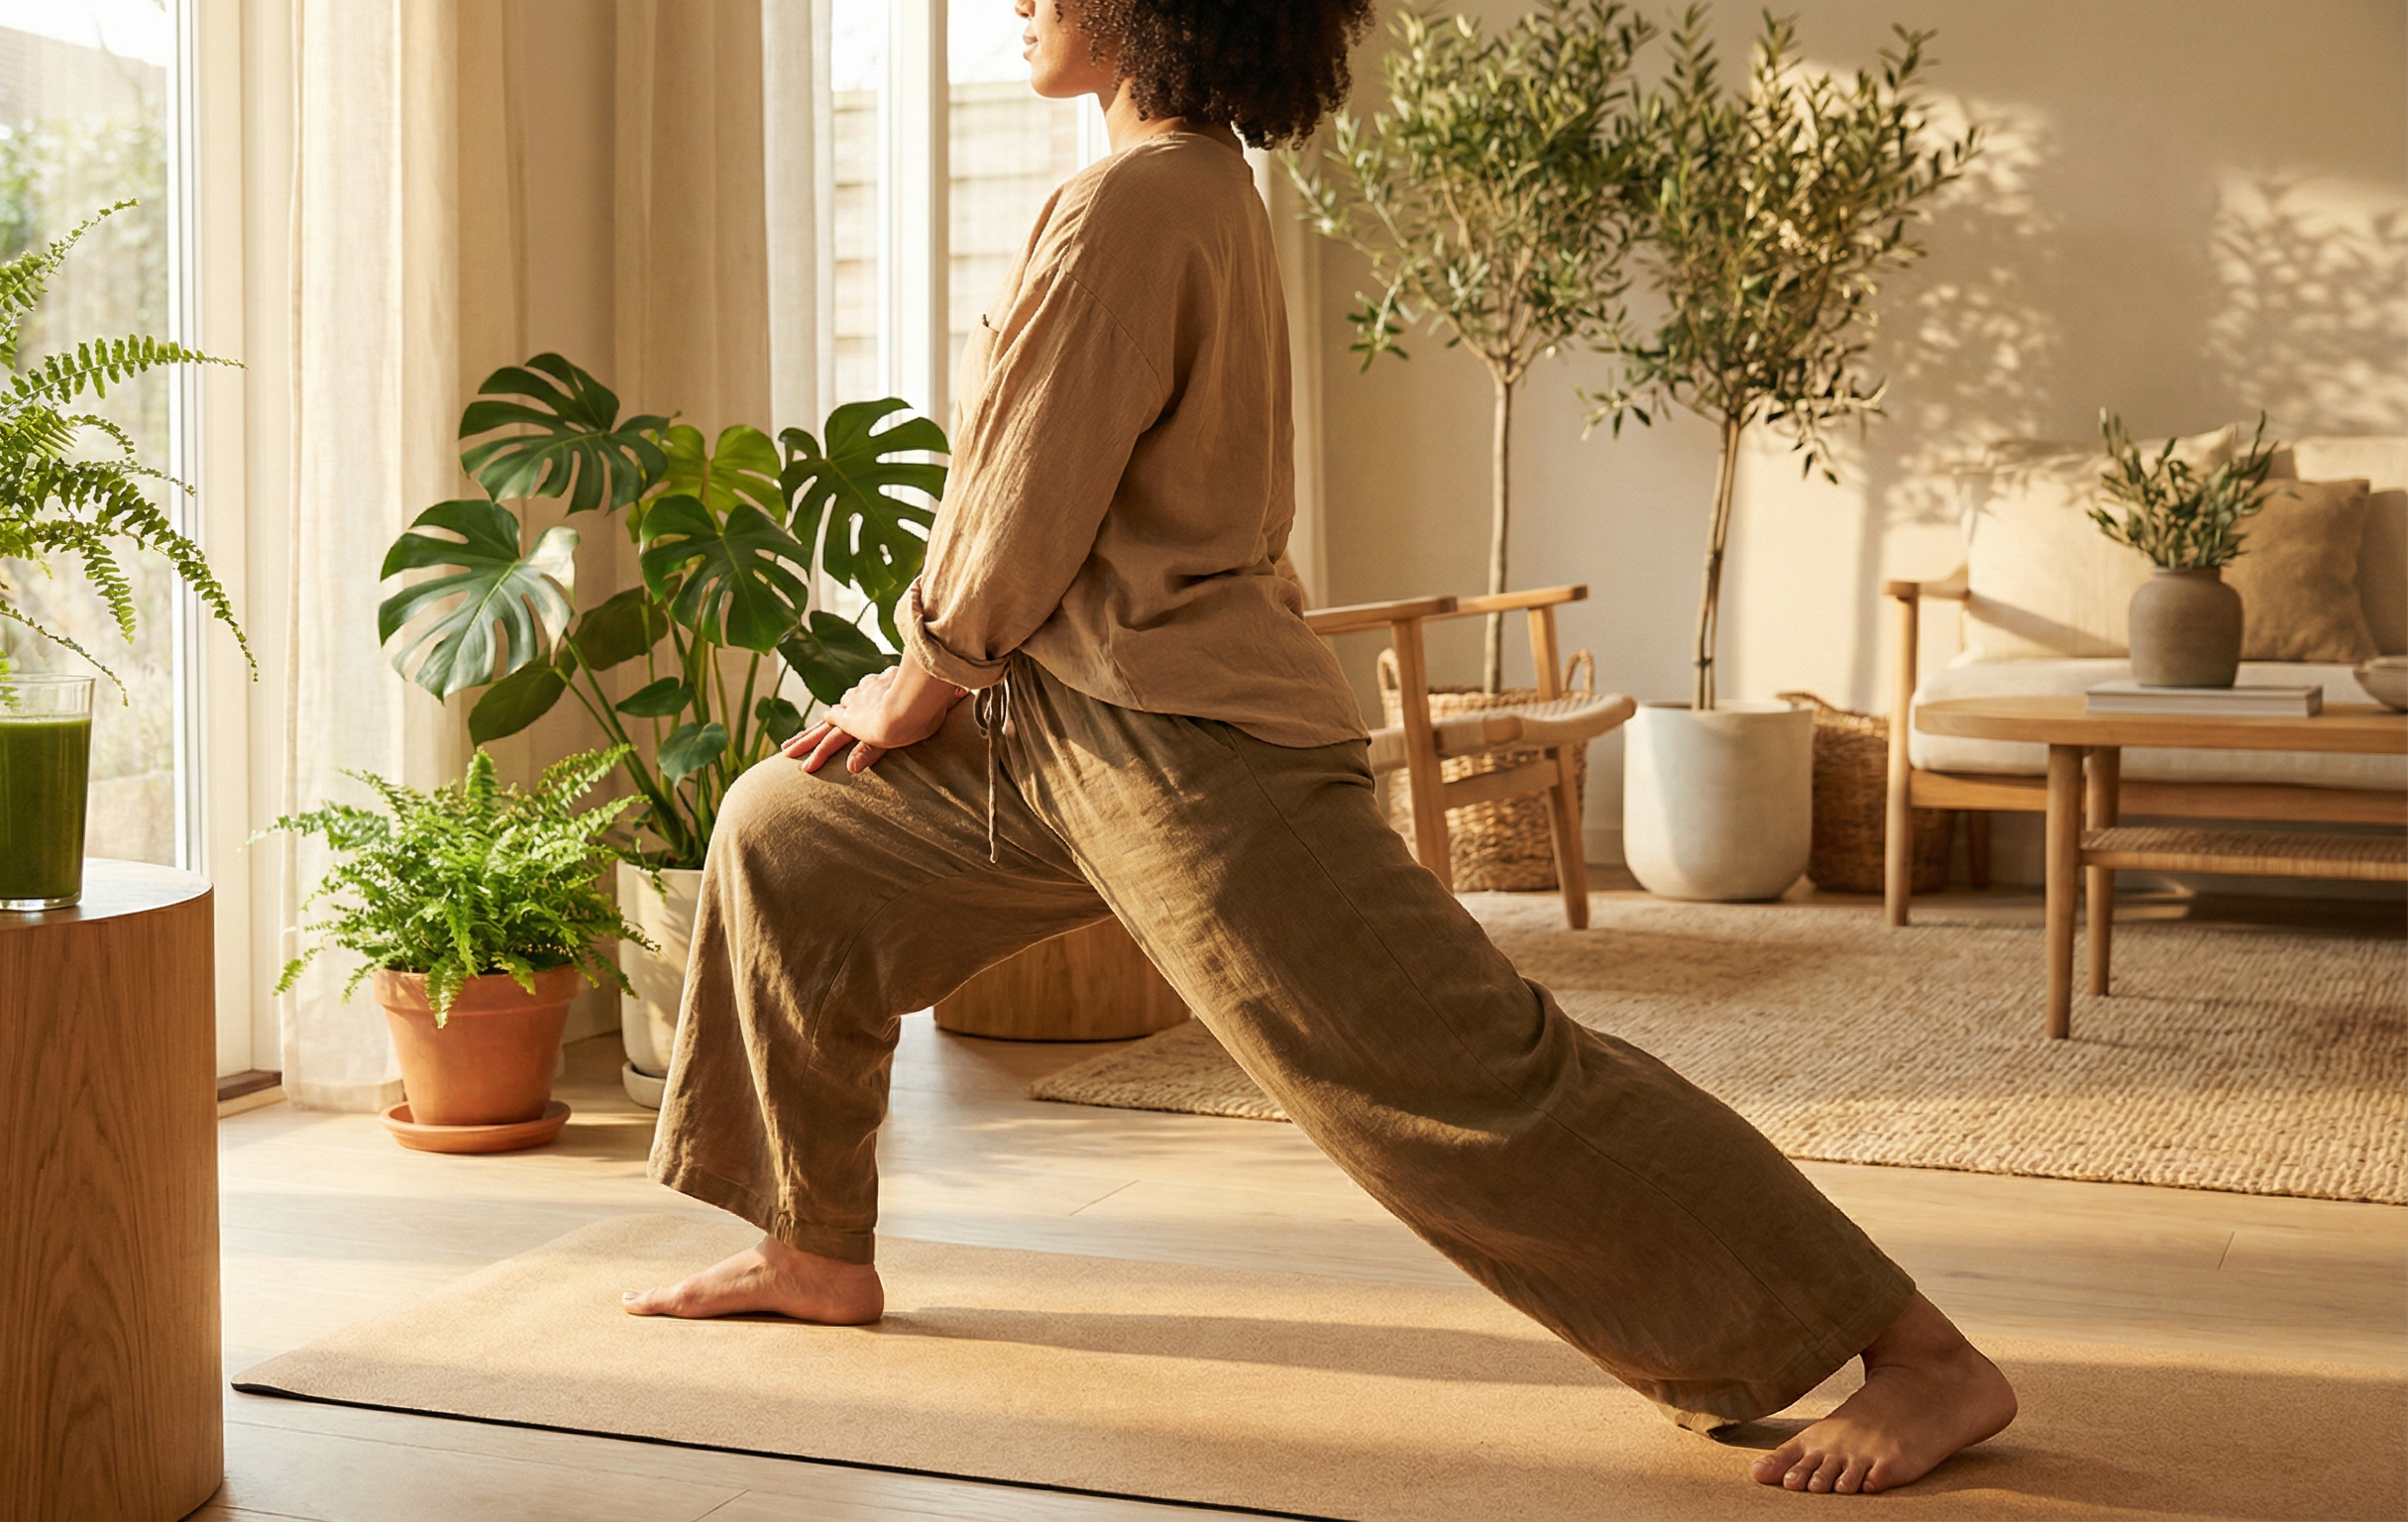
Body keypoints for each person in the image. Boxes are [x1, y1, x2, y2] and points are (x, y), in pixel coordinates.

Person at [623, 0, 2016, 1496]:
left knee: (1464, 1081)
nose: (1016, 2)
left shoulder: (1138, 202)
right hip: (1058, 728)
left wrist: (927, 674)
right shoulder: (1199, 181)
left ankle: (1917, 1352)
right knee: (790, 837)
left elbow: (1031, 477)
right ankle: (811, 1247)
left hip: (1183, 747)